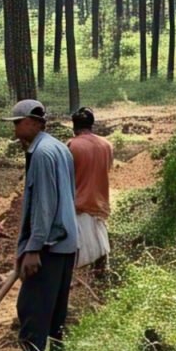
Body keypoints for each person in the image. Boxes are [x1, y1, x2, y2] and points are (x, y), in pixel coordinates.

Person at [2, 99, 78, 351]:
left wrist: (33, 248)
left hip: (49, 246)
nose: (14, 131)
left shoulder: (43, 154)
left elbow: (45, 205)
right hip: (66, 244)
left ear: (34, 123)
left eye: (17, 124)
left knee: (31, 309)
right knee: (56, 313)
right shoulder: (59, 148)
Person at [66, 107, 113, 273]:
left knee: (77, 257)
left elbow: (66, 177)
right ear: (92, 125)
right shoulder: (107, 145)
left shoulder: (72, 146)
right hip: (100, 205)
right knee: (100, 250)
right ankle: (102, 287)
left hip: (79, 207)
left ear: (74, 126)